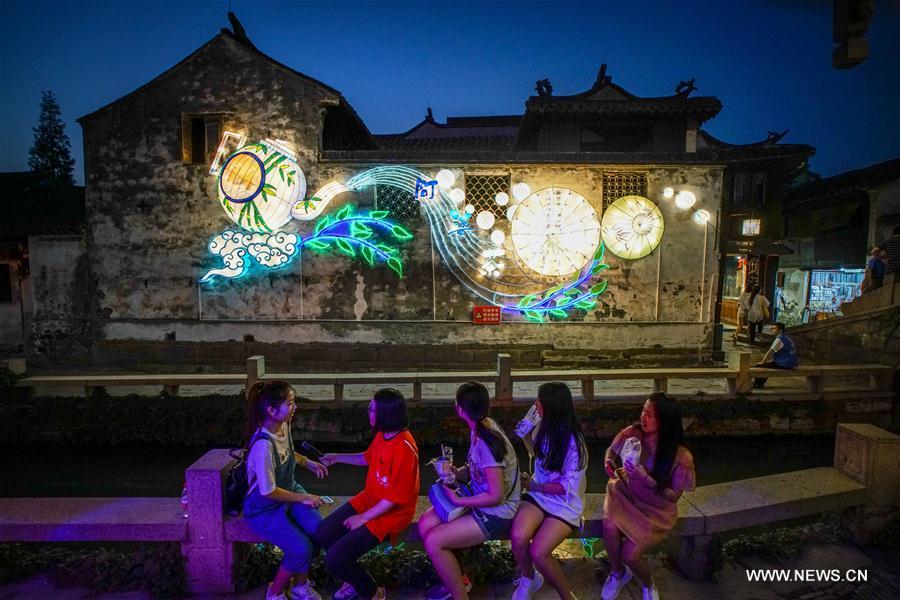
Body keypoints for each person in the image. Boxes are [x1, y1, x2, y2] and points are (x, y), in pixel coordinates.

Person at [419, 381, 521, 600]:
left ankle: (459, 595)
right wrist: (458, 473)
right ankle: (457, 579)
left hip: (496, 512)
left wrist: (458, 501)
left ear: (460, 409)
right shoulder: (481, 426)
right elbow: (479, 471)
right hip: (476, 496)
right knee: (425, 523)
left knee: (434, 541)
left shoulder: (487, 441)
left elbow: (496, 496)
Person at [318, 389, 420, 600]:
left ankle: (373, 592)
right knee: (323, 534)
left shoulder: (404, 448)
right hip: (370, 499)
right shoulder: (383, 435)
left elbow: (393, 499)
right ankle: (352, 578)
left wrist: (362, 518)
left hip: (390, 513)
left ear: (386, 413)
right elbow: (367, 458)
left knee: (335, 560)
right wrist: (337, 457)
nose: (369, 412)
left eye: (372, 408)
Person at [600, 393, 695, 600]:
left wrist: (647, 479)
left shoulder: (680, 455)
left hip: (655, 508)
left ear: (664, 421)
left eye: (649, 414)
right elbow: (611, 450)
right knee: (608, 527)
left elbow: (673, 496)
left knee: (630, 554)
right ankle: (617, 573)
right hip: (625, 493)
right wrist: (609, 461)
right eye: (643, 411)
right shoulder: (633, 433)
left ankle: (648, 584)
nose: (643, 417)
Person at [243, 381, 330, 600]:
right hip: (264, 508)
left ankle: (300, 587)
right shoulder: (263, 446)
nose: (295, 407)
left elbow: (288, 454)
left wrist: (306, 462)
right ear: (272, 410)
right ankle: (274, 593)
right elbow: (268, 490)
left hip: (288, 492)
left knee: (318, 531)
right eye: (290, 403)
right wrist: (304, 497)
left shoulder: (283, 425)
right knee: (300, 548)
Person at [509, 382, 588, 600]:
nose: (536, 404)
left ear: (552, 407)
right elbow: (537, 455)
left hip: (563, 501)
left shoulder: (575, 443)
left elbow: (566, 486)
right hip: (538, 495)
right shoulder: (543, 427)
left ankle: (567, 595)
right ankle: (529, 577)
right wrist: (525, 434)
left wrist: (534, 485)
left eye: (539, 401)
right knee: (518, 537)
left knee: (540, 552)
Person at [752, 322, 798, 389]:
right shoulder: (786, 337)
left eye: (774, 328)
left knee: (760, 366)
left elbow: (770, 352)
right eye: (771, 328)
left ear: (780, 330)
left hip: (785, 363)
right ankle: (760, 383)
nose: (772, 330)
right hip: (791, 362)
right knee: (768, 365)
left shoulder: (779, 339)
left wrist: (762, 361)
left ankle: (757, 385)